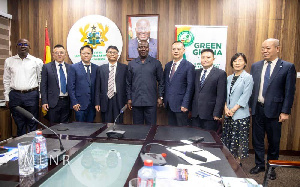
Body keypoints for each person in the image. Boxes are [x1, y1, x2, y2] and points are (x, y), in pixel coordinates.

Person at [249, 38, 296, 180]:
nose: (265, 51)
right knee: (257, 139)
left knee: (274, 141)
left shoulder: (287, 67)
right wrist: (251, 106)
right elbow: (253, 88)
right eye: (263, 48)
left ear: (277, 48)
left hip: (275, 111)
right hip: (258, 108)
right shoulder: (255, 66)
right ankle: (259, 164)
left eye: (268, 48)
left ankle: (272, 167)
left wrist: (285, 111)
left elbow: (289, 91)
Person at [3, 38, 43, 136]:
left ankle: (32, 146)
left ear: (29, 47)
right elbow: (6, 80)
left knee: (32, 122)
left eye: (25, 44)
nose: (23, 46)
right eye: (20, 44)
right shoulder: (9, 61)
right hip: (15, 95)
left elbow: (40, 80)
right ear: (16, 47)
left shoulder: (36, 61)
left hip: (32, 95)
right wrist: (7, 98)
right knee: (19, 123)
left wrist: (41, 97)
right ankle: (22, 146)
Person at [221, 53, 254, 165]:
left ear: (245, 63)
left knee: (239, 141)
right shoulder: (229, 78)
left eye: (240, 60)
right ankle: (228, 162)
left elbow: (245, 96)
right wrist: (225, 108)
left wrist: (233, 110)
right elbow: (224, 95)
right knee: (228, 139)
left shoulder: (248, 77)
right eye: (235, 61)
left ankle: (237, 164)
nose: (237, 63)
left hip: (240, 114)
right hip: (228, 114)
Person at [126, 40, 164, 125]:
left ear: (148, 49)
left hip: (151, 101)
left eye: (145, 47)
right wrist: (129, 98)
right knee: (137, 129)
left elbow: (161, 81)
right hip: (136, 102)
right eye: (140, 47)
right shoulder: (132, 64)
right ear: (137, 49)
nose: (143, 49)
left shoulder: (156, 63)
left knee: (151, 129)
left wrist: (160, 97)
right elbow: (128, 83)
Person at [191, 48, 227, 131]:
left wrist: (217, 113)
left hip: (210, 115)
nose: (205, 60)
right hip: (195, 114)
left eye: (208, 57)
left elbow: (221, 95)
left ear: (213, 59)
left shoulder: (220, 74)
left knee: (209, 140)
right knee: (194, 138)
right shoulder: (196, 72)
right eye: (203, 57)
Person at [163, 41, 195, 126]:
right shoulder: (168, 66)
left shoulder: (189, 66)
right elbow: (166, 83)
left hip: (181, 106)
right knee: (171, 130)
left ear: (183, 50)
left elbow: (190, 87)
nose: (176, 51)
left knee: (182, 131)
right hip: (169, 104)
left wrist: (185, 104)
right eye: (174, 49)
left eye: (178, 49)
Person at [95, 46, 128, 123]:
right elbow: (97, 87)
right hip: (105, 99)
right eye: (110, 52)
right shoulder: (101, 69)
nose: (112, 54)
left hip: (119, 99)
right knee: (106, 124)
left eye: (114, 53)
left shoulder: (124, 68)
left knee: (119, 123)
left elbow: (127, 85)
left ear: (118, 55)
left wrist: (127, 101)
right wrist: (97, 102)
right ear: (106, 55)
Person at [41, 44, 70, 124]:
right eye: (56, 53)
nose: (59, 54)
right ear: (53, 55)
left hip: (67, 101)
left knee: (66, 126)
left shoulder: (70, 67)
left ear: (65, 54)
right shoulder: (47, 67)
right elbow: (43, 85)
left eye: (61, 52)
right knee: (53, 126)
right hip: (53, 102)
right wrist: (44, 101)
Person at [67, 45, 98, 122]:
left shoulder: (96, 68)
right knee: (80, 129)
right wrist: (74, 102)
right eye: (83, 53)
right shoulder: (74, 67)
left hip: (92, 105)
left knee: (91, 128)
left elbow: (98, 87)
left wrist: (97, 103)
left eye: (88, 53)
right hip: (79, 105)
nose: (86, 55)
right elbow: (71, 86)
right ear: (80, 54)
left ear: (91, 54)